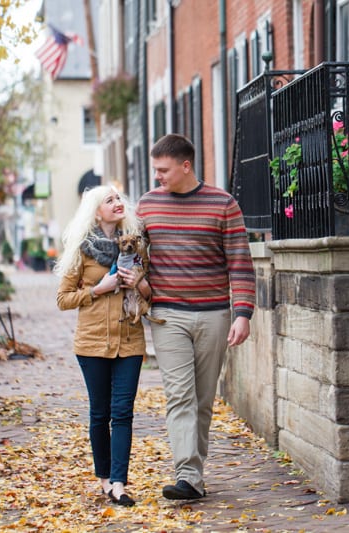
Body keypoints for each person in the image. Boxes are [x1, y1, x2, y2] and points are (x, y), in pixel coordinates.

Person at [138, 133, 256, 500]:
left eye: (163, 170)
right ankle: (187, 475)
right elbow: (133, 254)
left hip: (214, 316)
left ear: (186, 166)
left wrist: (243, 314)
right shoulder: (146, 205)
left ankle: (194, 477)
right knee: (179, 396)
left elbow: (240, 262)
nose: (158, 176)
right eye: (156, 170)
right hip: (167, 316)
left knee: (203, 399)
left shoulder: (223, 204)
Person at [54, 185, 150, 507]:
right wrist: (100, 288)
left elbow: (151, 296)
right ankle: (105, 478)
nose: (117, 203)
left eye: (118, 198)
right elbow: (63, 299)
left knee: (123, 412)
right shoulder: (81, 249)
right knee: (100, 413)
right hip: (92, 342)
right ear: (96, 211)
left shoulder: (135, 246)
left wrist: (137, 282)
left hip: (129, 340)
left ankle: (120, 483)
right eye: (109, 200)